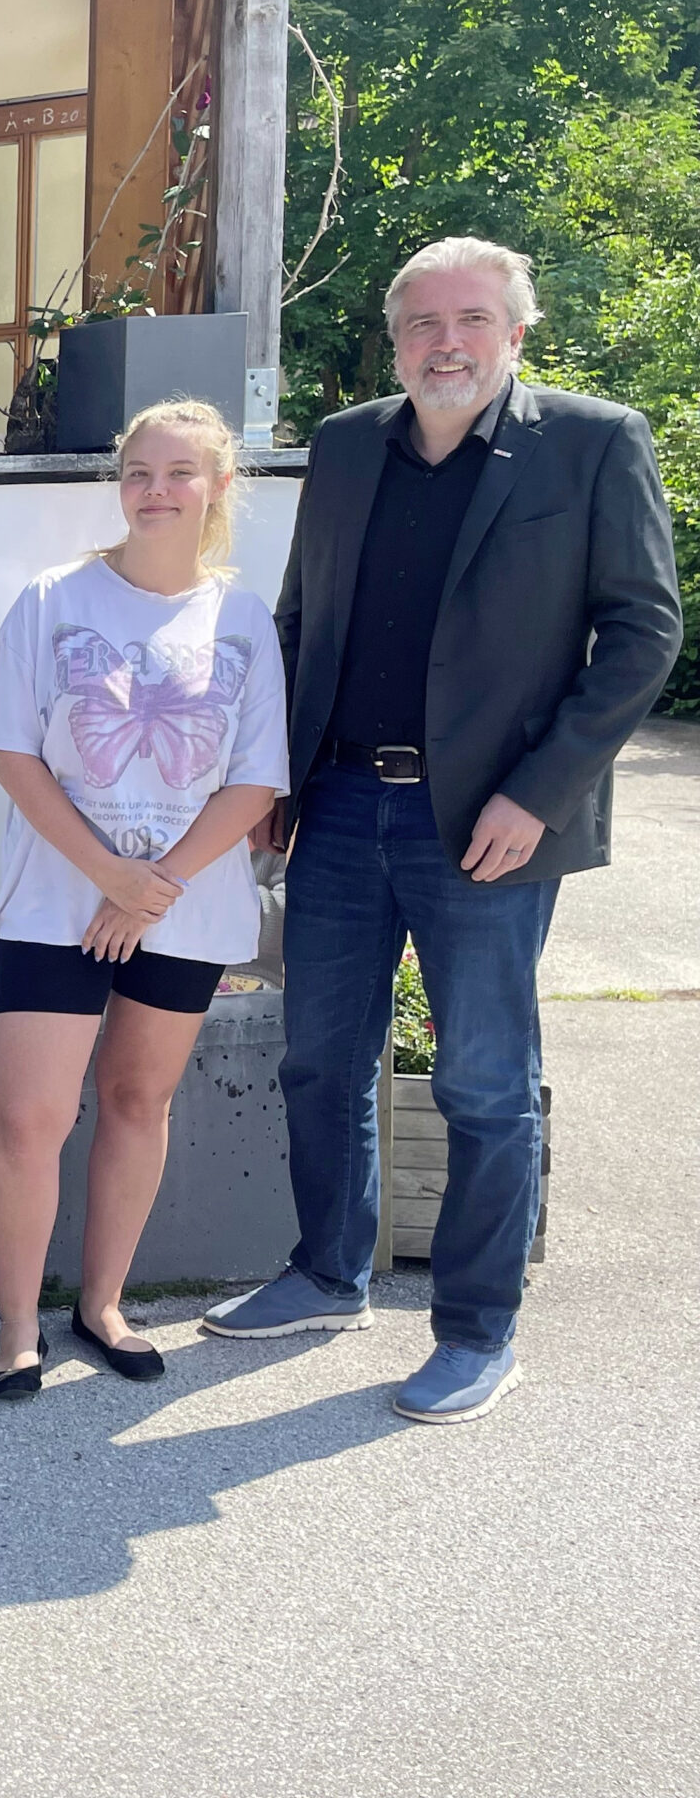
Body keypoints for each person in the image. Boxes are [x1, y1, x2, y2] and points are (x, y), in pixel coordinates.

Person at [203, 239, 683, 1422]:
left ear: (517, 333)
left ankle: (475, 1328)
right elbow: (299, 617)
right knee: (318, 1057)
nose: (445, 342)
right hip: (341, 798)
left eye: (471, 319)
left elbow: (640, 635)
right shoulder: (347, 445)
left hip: (488, 821)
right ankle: (327, 1272)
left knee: (482, 1080)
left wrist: (541, 792)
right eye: (421, 323)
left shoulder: (592, 441)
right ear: (395, 337)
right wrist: (270, 778)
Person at [0, 399, 289, 1400]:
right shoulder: (54, 599)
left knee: (136, 1101)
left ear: (218, 487)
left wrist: (150, 890)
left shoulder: (241, 618)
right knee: (31, 1116)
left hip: (183, 908)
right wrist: (108, 875)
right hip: (54, 902)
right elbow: (10, 753)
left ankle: (102, 1304)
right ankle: (18, 1326)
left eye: (179, 472)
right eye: (139, 471)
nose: (156, 489)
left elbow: (254, 780)